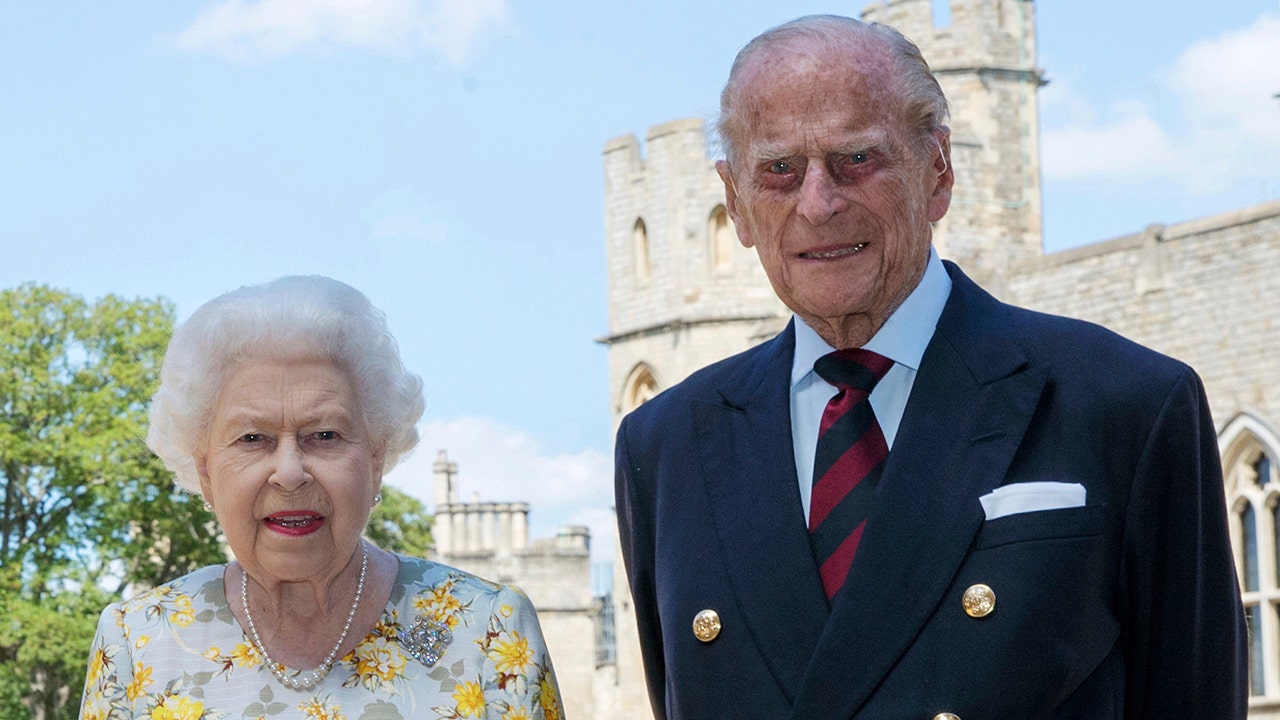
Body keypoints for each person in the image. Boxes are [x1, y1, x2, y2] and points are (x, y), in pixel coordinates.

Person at [614, 15, 1246, 720]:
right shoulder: (665, 447)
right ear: (734, 201)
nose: (818, 205)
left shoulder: (1126, 404)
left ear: (937, 173)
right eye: (779, 171)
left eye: (857, 160)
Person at [79, 276, 564, 720]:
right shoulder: (137, 641)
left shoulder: (488, 630)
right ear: (206, 473)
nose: (289, 473)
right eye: (252, 439)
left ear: (375, 461)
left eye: (325, 435)